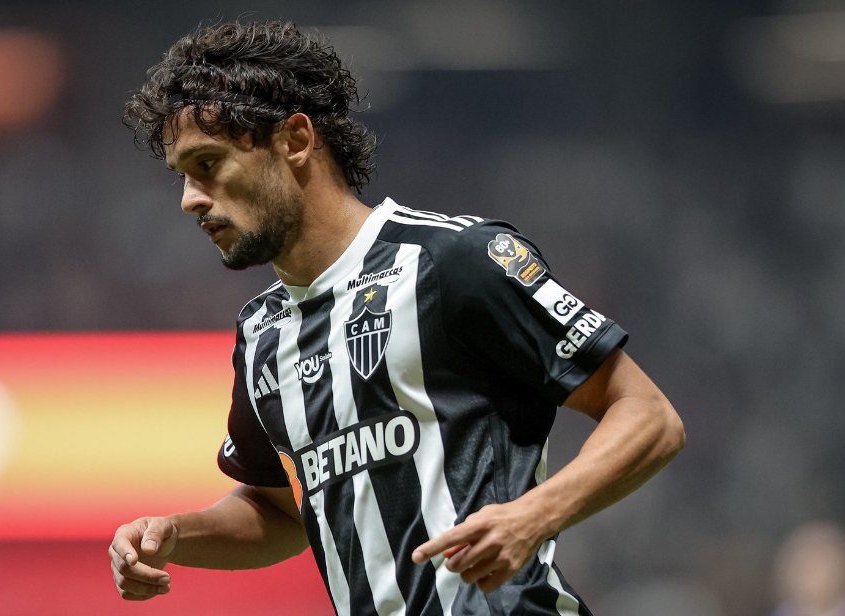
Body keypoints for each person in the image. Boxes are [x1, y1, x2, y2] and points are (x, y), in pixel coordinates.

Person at [109, 20, 685, 615]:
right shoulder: (261, 335)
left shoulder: (452, 260)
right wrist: (177, 532)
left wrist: (533, 515)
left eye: (208, 164)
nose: (189, 199)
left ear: (296, 140)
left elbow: (648, 415)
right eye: (181, 174)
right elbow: (283, 510)